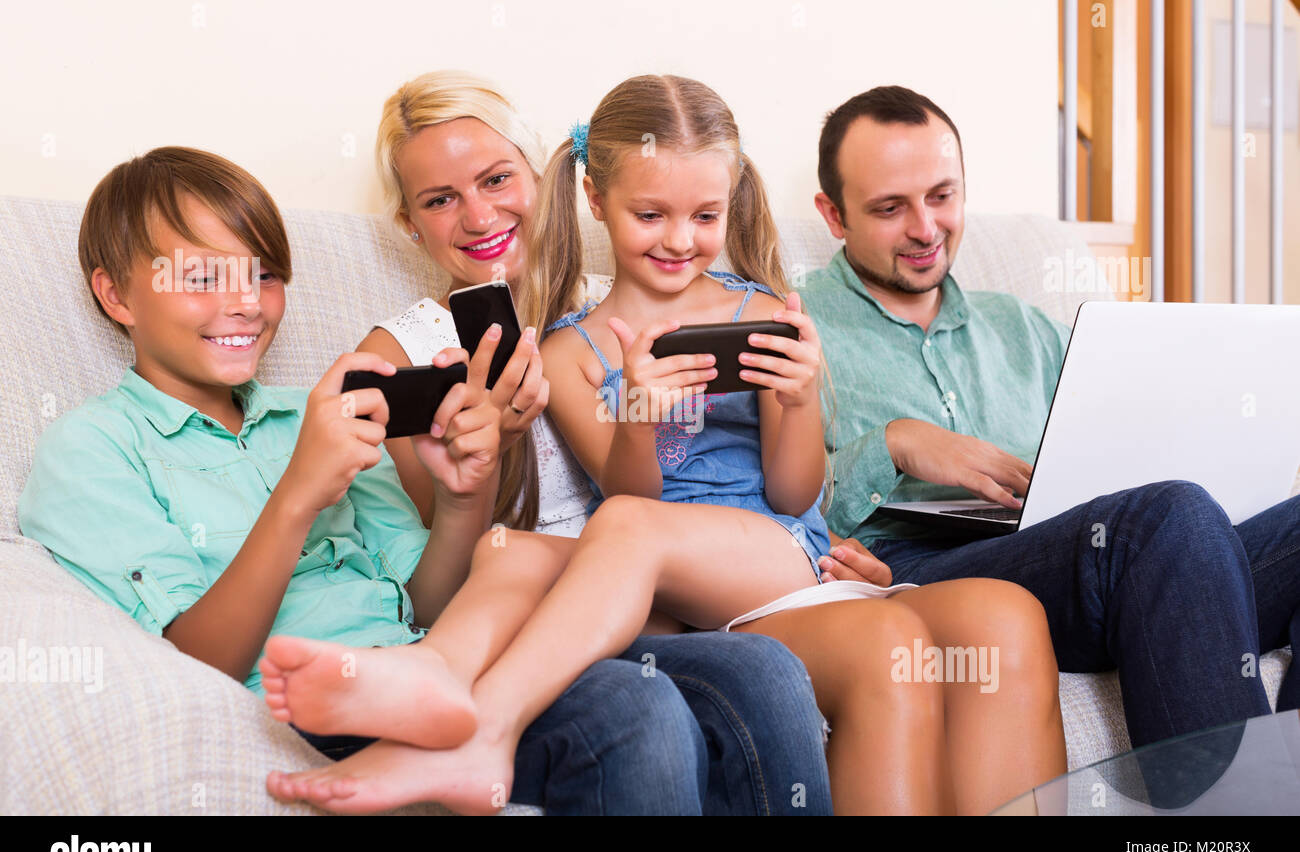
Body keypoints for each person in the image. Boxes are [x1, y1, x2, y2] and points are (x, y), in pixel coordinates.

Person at [301, 71, 1063, 814]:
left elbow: (798, 492)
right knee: (514, 550)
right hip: (670, 572)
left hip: (772, 544)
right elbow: (627, 499)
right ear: (597, 201)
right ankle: (438, 691)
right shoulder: (571, 350)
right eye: (652, 216)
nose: (679, 239)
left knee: (1009, 612)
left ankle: (483, 722)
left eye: (704, 217)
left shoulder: (758, 304)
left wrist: (797, 398)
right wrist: (640, 415)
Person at [16, 146, 826, 816]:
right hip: (328, 690)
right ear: (116, 294)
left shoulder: (321, 405)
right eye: (200, 278)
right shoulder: (90, 448)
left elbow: (431, 605)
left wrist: (466, 495)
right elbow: (197, 657)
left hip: (430, 663)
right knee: (637, 710)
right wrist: (298, 494)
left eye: (261, 273)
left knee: (762, 669)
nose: (244, 303)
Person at [802, 84, 1300, 753]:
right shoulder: (795, 328)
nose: (925, 228)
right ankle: (1217, 849)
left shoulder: (1022, 326)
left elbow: (1117, 451)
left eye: (943, 196)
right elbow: (763, 499)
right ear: (833, 214)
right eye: (890, 208)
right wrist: (891, 445)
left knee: (1183, 519)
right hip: (916, 570)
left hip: (1080, 552)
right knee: (1170, 520)